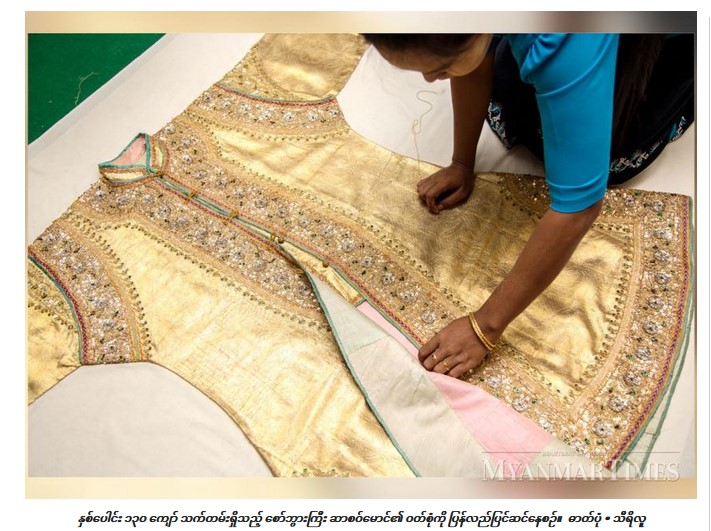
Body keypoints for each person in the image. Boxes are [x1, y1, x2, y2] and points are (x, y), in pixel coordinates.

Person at [361, 33, 693, 379]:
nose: (430, 80)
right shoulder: (476, 27)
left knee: (610, 153)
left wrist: (485, 327)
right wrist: (461, 162)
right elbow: (473, 60)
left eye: (440, 68)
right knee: (511, 96)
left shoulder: (565, 43)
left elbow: (579, 207)